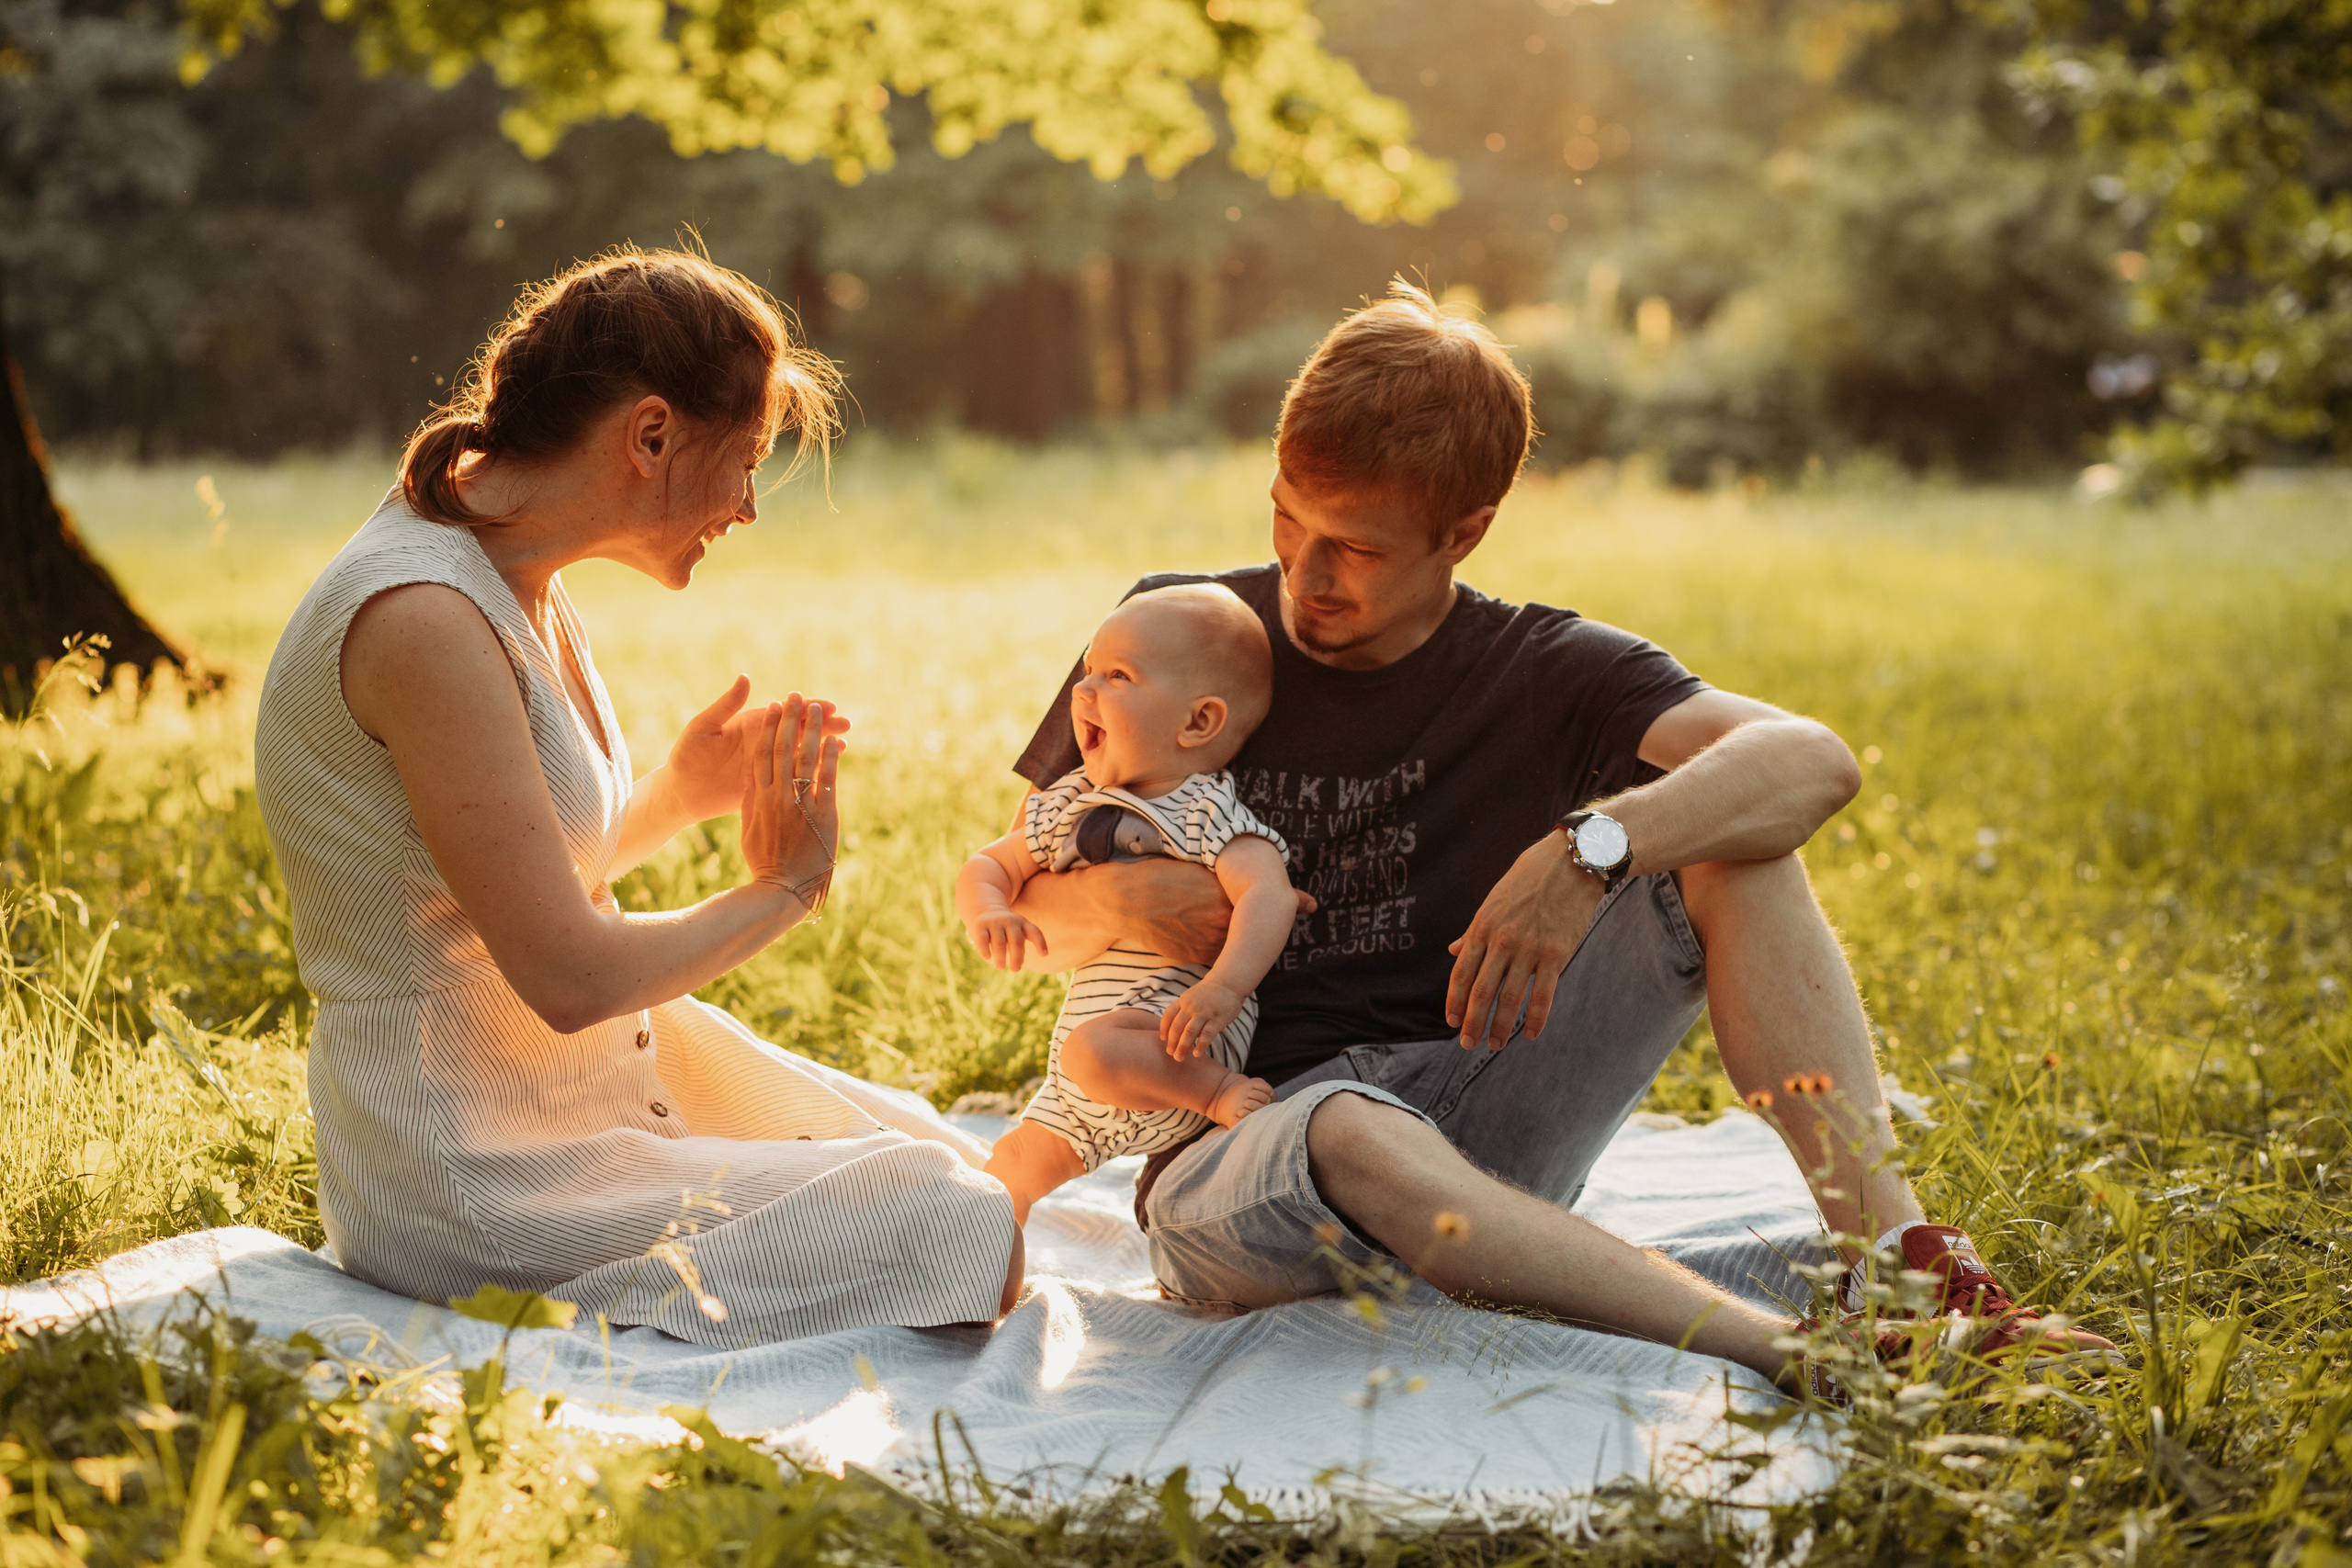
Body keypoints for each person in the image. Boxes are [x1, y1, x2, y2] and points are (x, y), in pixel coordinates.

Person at [1004, 280, 2118, 1394]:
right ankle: (1787, 1355)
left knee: (1732, 833)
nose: (1304, 573)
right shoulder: (1183, 633)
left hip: (1484, 1119)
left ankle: (1910, 1275)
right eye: (1286, 516)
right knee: (1340, 1122)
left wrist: (1591, 847)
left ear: (1465, 531)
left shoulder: (1549, 669)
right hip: (1245, 1165)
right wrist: (1129, 906)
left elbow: (1810, 760)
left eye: (1356, 547)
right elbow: (1020, 909)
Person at [254, 248, 1021, 1346]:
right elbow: (566, 974)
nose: (750, 506)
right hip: (475, 1169)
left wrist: (676, 791)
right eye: (746, 461)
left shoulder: (518, 576)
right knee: (961, 1229)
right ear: (651, 434)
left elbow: (501, 873)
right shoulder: (421, 617)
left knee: (966, 1167)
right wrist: (786, 886)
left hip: (593, 1091)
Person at [957, 585, 1294, 1223]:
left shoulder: (1204, 809)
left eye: (1118, 676)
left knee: (1094, 1050)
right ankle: (980, 1296)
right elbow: (990, 862)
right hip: (1084, 1091)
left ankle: (1221, 1094)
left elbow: (1269, 893)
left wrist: (1225, 988)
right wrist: (988, 909)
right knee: (1005, 1176)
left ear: (1198, 722)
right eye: (1088, 670)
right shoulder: (1070, 800)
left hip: (1178, 1044)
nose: (1084, 691)